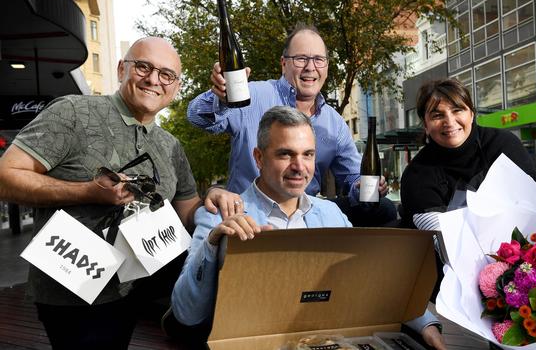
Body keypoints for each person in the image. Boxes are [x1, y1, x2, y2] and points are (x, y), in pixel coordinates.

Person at [169, 106, 446, 349]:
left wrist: (425, 324)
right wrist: (213, 245)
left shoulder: (332, 215)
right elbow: (185, 313)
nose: (299, 166)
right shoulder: (219, 216)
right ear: (259, 158)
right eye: (285, 154)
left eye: (308, 154)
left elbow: (376, 281)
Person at [0, 37, 202, 350]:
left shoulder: (170, 145)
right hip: (73, 294)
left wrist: (214, 202)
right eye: (144, 67)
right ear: (123, 69)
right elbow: (5, 177)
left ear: (175, 87)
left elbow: (188, 212)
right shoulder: (73, 112)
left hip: (136, 287)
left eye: (167, 75)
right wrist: (87, 192)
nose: (153, 80)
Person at [187, 23, 396, 226]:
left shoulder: (335, 124)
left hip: (304, 218)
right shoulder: (251, 96)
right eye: (301, 59)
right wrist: (222, 98)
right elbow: (196, 116)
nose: (310, 67)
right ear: (283, 63)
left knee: (385, 208)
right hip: (248, 217)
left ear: (327, 66)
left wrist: (364, 186)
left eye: (318, 59)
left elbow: (353, 177)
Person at [400, 78, 536, 228]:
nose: (449, 121)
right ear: (426, 125)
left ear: (472, 114)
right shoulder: (417, 174)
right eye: (437, 115)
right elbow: (441, 236)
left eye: (457, 110)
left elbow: (531, 200)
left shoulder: (503, 145)